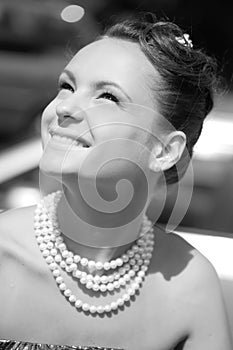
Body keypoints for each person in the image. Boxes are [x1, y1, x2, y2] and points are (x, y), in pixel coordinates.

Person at [0, 13, 232, 350]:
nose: (65, 108)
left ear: (164, 150)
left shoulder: (189, 287)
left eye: (108, 97)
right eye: (67, 86)